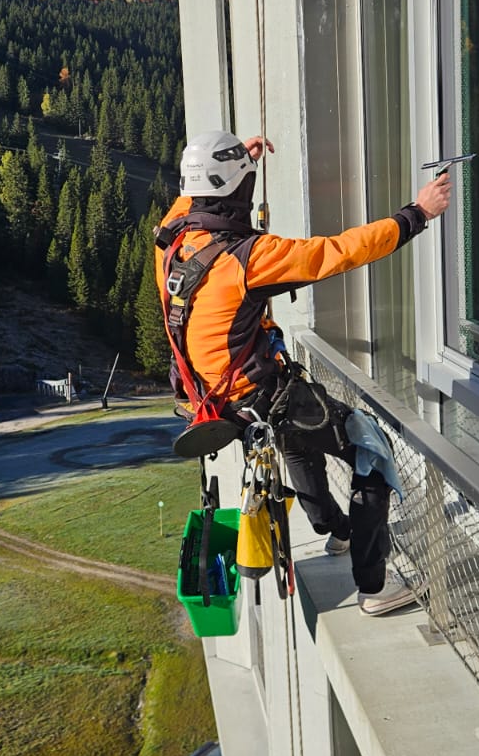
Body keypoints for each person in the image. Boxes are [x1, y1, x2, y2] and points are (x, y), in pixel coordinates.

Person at [156, 131, 450, 615]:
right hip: (261, 393)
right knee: (370, 449)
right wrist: (417, 213)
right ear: (238, 188)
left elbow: (194, 196)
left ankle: (338, 532)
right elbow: (338, 251)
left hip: (220, 400)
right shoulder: (247, 259)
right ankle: (373, 587)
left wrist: (236, 162)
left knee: (298, 443)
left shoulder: (173, 238)